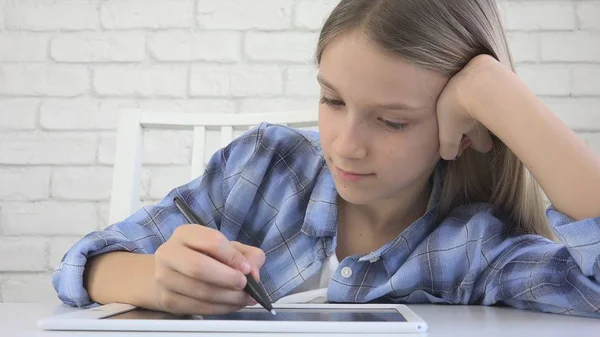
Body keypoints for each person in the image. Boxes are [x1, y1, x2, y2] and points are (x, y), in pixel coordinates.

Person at [53, 0, 600, 318]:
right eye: (332, 101)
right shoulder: (264, 166)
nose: (345, 144)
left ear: (464, 129)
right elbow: (85, 263)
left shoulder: (474, 247)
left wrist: (494, 92)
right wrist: (154, 280)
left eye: (392, 121)